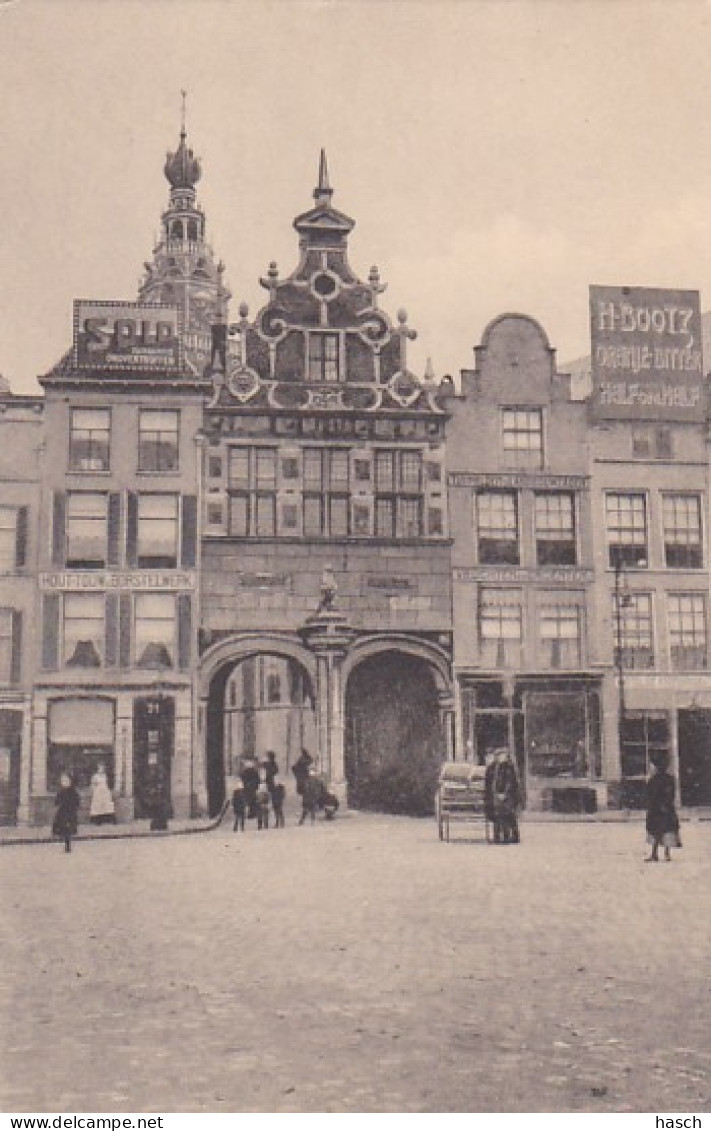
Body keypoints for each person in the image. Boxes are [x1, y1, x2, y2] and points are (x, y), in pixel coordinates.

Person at [645, 751, 681, 862]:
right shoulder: (669, 779)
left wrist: (658, 805)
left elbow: (652, 795)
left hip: (658, 808)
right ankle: (665, 853)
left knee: (657, 830)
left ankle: (656, 853)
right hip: (665, 808)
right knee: (666, 830)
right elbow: (671, 794)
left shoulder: (654, 780)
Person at [491, 748, 521, 844]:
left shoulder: (508, 767)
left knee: (507, 815)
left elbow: (510, 782)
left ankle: (507, 836)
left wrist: (504, 794)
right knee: (503, 816)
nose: (500, 757)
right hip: (501, 795)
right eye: (498, 756)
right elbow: (495, 782)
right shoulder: (497, 767)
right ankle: (502, 837)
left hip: (508, 796)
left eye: (502, 755)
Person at [52, 772, 81, 853]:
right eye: (62, 781)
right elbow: (56, 802)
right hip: (62, 812)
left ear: (70, 781)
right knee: (63, 828)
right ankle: (65, 843)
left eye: (66, 780)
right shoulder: (61, 791)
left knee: (68, 828)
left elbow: (77, 802)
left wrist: (74, 808)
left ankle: (67, 845)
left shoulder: (73, 791)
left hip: (70, 812)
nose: (64, 782)